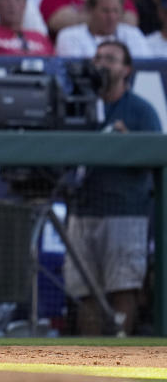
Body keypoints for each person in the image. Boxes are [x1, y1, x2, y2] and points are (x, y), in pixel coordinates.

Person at [64, 41, 162, 334]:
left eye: (111, 58)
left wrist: (128, 141)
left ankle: (120, 356)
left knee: (123, 288)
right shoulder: (79, 106)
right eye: (98, 57)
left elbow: (154, 159)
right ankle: (91, 366)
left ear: (126, 69)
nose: (102, 63)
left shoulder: (141, 111)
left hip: (125, 213)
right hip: (83, 211)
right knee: (86, 291)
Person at [55, 0, 150, 58]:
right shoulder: (69, 36)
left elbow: (144, 68)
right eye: (105, 11)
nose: (111, 17)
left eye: (116, 11)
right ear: (90, 10)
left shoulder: (133, 34)